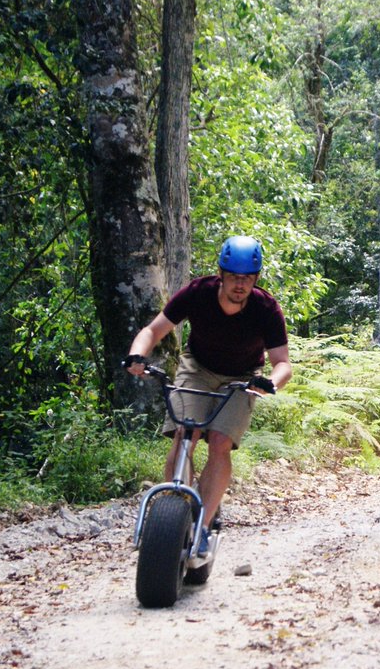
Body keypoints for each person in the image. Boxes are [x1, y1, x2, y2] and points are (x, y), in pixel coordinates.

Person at [123, 236, 292, 554]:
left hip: (242, 379)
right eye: (233, 276)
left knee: (219, 443)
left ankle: (201, 526)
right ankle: (177, 508)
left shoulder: (266, 308)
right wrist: (137, 356)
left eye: (247, 278)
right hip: (197, 367)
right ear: (221, 273)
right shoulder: (198, 293)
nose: (239, 285)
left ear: (255, 279)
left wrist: (270, 382)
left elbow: (283, 364)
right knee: (185, 431)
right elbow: (153, 330)